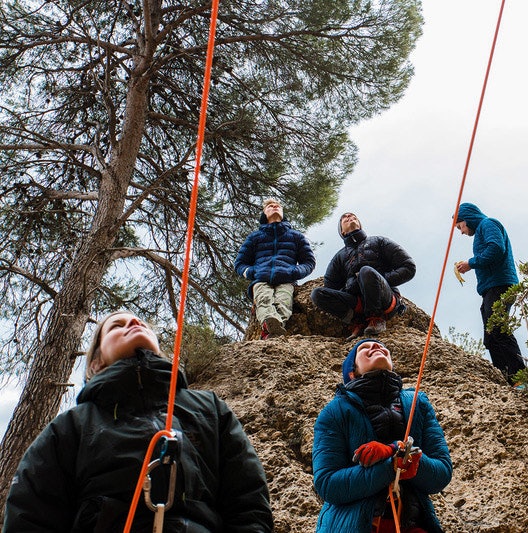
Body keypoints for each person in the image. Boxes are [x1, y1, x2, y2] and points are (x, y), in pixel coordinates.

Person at [3, 310, 274, 532]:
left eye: (139, 321)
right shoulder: (70, 426)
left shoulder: (210, 409)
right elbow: (31, 516)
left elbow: (247, 500)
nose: (133, 322)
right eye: (116, 326)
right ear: (96, 362)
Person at [312, 339, 452, 532]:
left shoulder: (417, 403)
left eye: (381, 346)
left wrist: (398, 453)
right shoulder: (334, 412)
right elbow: (327, 483)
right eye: (364, 348)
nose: (377, 347)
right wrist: (390, 466)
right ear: (352, 372)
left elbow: (442, 472)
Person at [311, 212, 415, 339]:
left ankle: (376, 318)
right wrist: (350, 288)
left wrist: (377, 280)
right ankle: (357, 321)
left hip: (384, 299)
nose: (349, 217)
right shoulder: (339, 257)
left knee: (366, 271)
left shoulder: (379, 241)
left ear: (360, 225)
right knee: (317, 294)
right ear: (342, 232)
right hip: (358, 303)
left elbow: (408, 267)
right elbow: (330, 286)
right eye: (344, 218)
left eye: (353, 216)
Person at [454, 202, 526, 385]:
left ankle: (521, 380)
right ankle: (506, 380)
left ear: (467, 219)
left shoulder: (488, 224)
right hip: (491, 288)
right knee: (490, 337)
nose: (461, 232)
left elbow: (496, 248)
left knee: (498, 330)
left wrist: (471, 263)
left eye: (460, 226)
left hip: (500, 284)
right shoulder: (482, 230)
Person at [235, 197, 316, 339]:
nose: (275, 207)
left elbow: (308, 262)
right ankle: (270, 326)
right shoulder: (254, 237)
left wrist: (294, 272)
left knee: (283, 302)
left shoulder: (296, 236)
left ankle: (271, 330)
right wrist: (251, 272)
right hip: (261, 279)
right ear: (264, 214)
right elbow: (240, 263)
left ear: (283, 213)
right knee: (264, 298)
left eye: (278, 205)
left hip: (286, 280)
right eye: (270, 206)